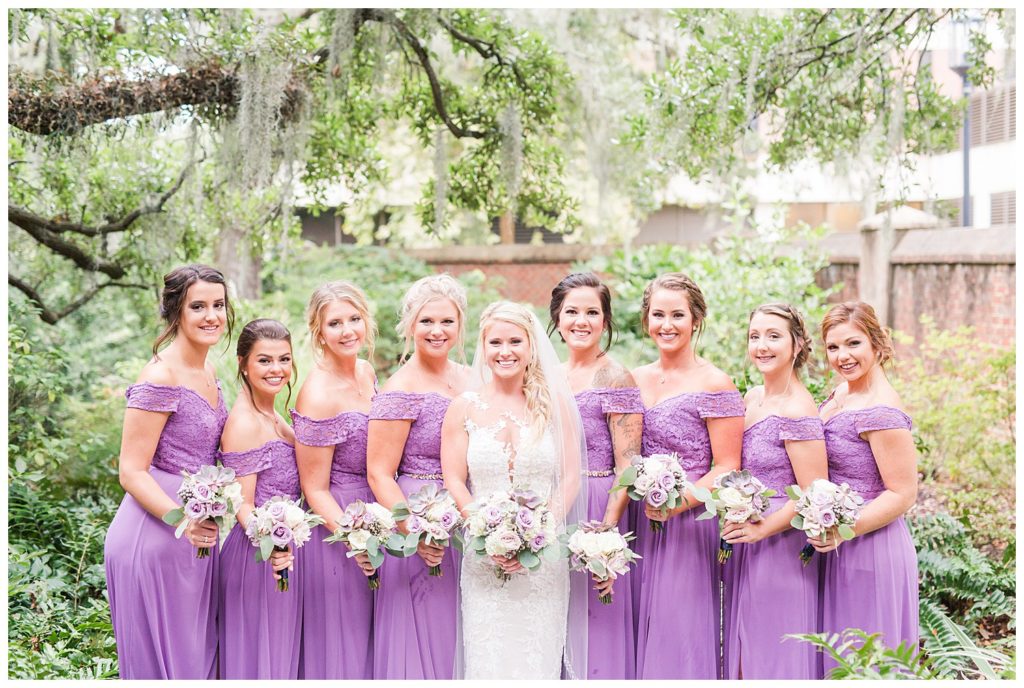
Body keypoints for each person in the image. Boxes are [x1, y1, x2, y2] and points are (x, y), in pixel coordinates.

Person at [441, 301, 588, 679]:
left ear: (531, 346)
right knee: (488, 657)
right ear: (483, 347)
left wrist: (539, 534)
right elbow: (455, 479)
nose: (505, 352)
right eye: (495, 343)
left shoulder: (555, 406)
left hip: (543, 559)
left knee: (535, 657)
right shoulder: (464, 408)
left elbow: (571, 475)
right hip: (483, 558)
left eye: (514, 342)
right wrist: (484, 532)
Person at [104, 264, 232, 679]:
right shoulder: (160, 376)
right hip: (155, 535)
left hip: (195, 538)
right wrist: (184, 519)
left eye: (219, 305)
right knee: (166, 666)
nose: (212, 315)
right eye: (199, 306)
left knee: (196, 661)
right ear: (176, 311)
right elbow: (131, 470)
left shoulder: (210, 371)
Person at [631, 272, 744, 679]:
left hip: (689, 524)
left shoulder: (715, 383)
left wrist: (681, 503)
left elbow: (728, 464)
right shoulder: (635, 378)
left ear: (696, 319)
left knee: (678, 630)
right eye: (658, 314)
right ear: (646, 321)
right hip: (638, 521)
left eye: (677, 314)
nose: (667, 324)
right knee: (637, 624)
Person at [366, 274, 473, 679]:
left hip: (468, 517)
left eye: (447, 321)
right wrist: (416, 530)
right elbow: (378, 473)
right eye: (427, 321)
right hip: (421, 518)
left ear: (460, 324)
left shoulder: (471, 379)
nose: (437, 330)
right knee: (429, 636)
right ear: (410, 325)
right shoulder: (399, 389)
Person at [721, 304, 828, 679]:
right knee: (747, 647)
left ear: (797, 344)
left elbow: (813, 491)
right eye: (755, 337)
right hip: (747, 540)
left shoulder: (798, 409)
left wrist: (763, 529)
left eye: (773, 336)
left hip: (780, 543)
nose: (762, 346)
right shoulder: (752, 398)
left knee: (775, 648)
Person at [548, 272, 641, 679]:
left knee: (594, 614)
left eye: (592, 312)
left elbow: (629, 464)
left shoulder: (616, 377)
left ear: (605, 320)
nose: (581, 321)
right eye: (572, 312)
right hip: (551, 502)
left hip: (596, 499)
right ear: (556, 317)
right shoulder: (546, 375)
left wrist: (605, 530)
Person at [816, 301, 918, 670]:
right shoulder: (843, 392)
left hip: (870, 547)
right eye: (833, 347)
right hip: (835, 541)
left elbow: (904, 493)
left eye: (853, 344)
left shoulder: (881, 410)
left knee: (866, 661)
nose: (842, 356)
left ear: (876, 343)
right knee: (838, 659)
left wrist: (844, 530)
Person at [292, 281, 378, 679]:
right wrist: (353, 538)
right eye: (335, 323)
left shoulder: (366, 371)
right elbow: (314, 488)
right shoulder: (317, 393)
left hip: (374, 515)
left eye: (354, 319)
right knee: (342, 649)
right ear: (318, 332)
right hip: (337, 528)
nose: (347, 331)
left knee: (372, 644)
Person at [217, 319, 300, 679]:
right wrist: (273, 542)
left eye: (284, 359)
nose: (276, 369)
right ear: (243, 364)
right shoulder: (244, 422)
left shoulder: (271, 413)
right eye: (264, 360)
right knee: (259, 663)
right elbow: (242, 502)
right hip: (258, 557)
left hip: (279, 553)